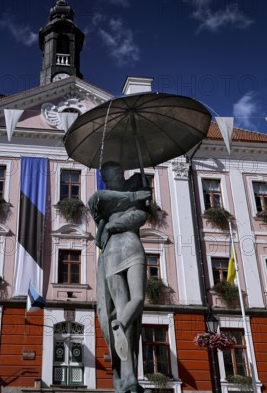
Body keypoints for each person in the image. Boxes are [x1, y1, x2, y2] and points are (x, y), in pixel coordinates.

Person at [89, 161, 150, 393]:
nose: (111, 178)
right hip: (123, 250)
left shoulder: (110, 204)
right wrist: (135, 196)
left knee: (129, 308)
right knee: (132, 311)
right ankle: (129, 376)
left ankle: (120, 326)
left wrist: (114, 223)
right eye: (108, 175)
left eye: (112, 174)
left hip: (119, 251)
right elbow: (99, 198)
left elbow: (140, 217)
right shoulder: (114, 197)